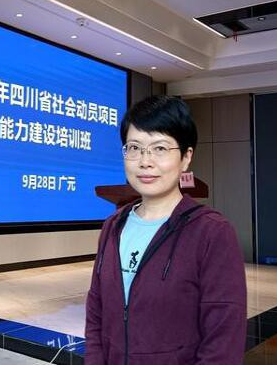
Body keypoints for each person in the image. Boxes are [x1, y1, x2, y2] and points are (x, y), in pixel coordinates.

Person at [85, 95, 246, 364]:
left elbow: (223, 342)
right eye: (134, 148)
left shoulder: (212, 233)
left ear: (186, 157)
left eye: (159, 148)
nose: (145, 161)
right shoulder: (113, 226)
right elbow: (95, 315)